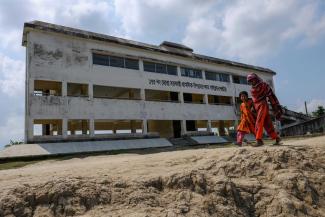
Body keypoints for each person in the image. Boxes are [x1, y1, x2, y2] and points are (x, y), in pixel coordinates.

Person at [247, 73, 283, 146]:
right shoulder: (252, 90)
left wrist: (275, 108)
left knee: (259, 122)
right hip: (257, 107)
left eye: (253, 80)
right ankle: (277, 138)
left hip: (263, 105)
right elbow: (254, 100)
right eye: (250, 81)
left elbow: (271, 96)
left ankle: (259, 140)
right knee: (267, 124)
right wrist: (253, 108)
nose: (252, 82)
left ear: (256, 79)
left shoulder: (264, 85)